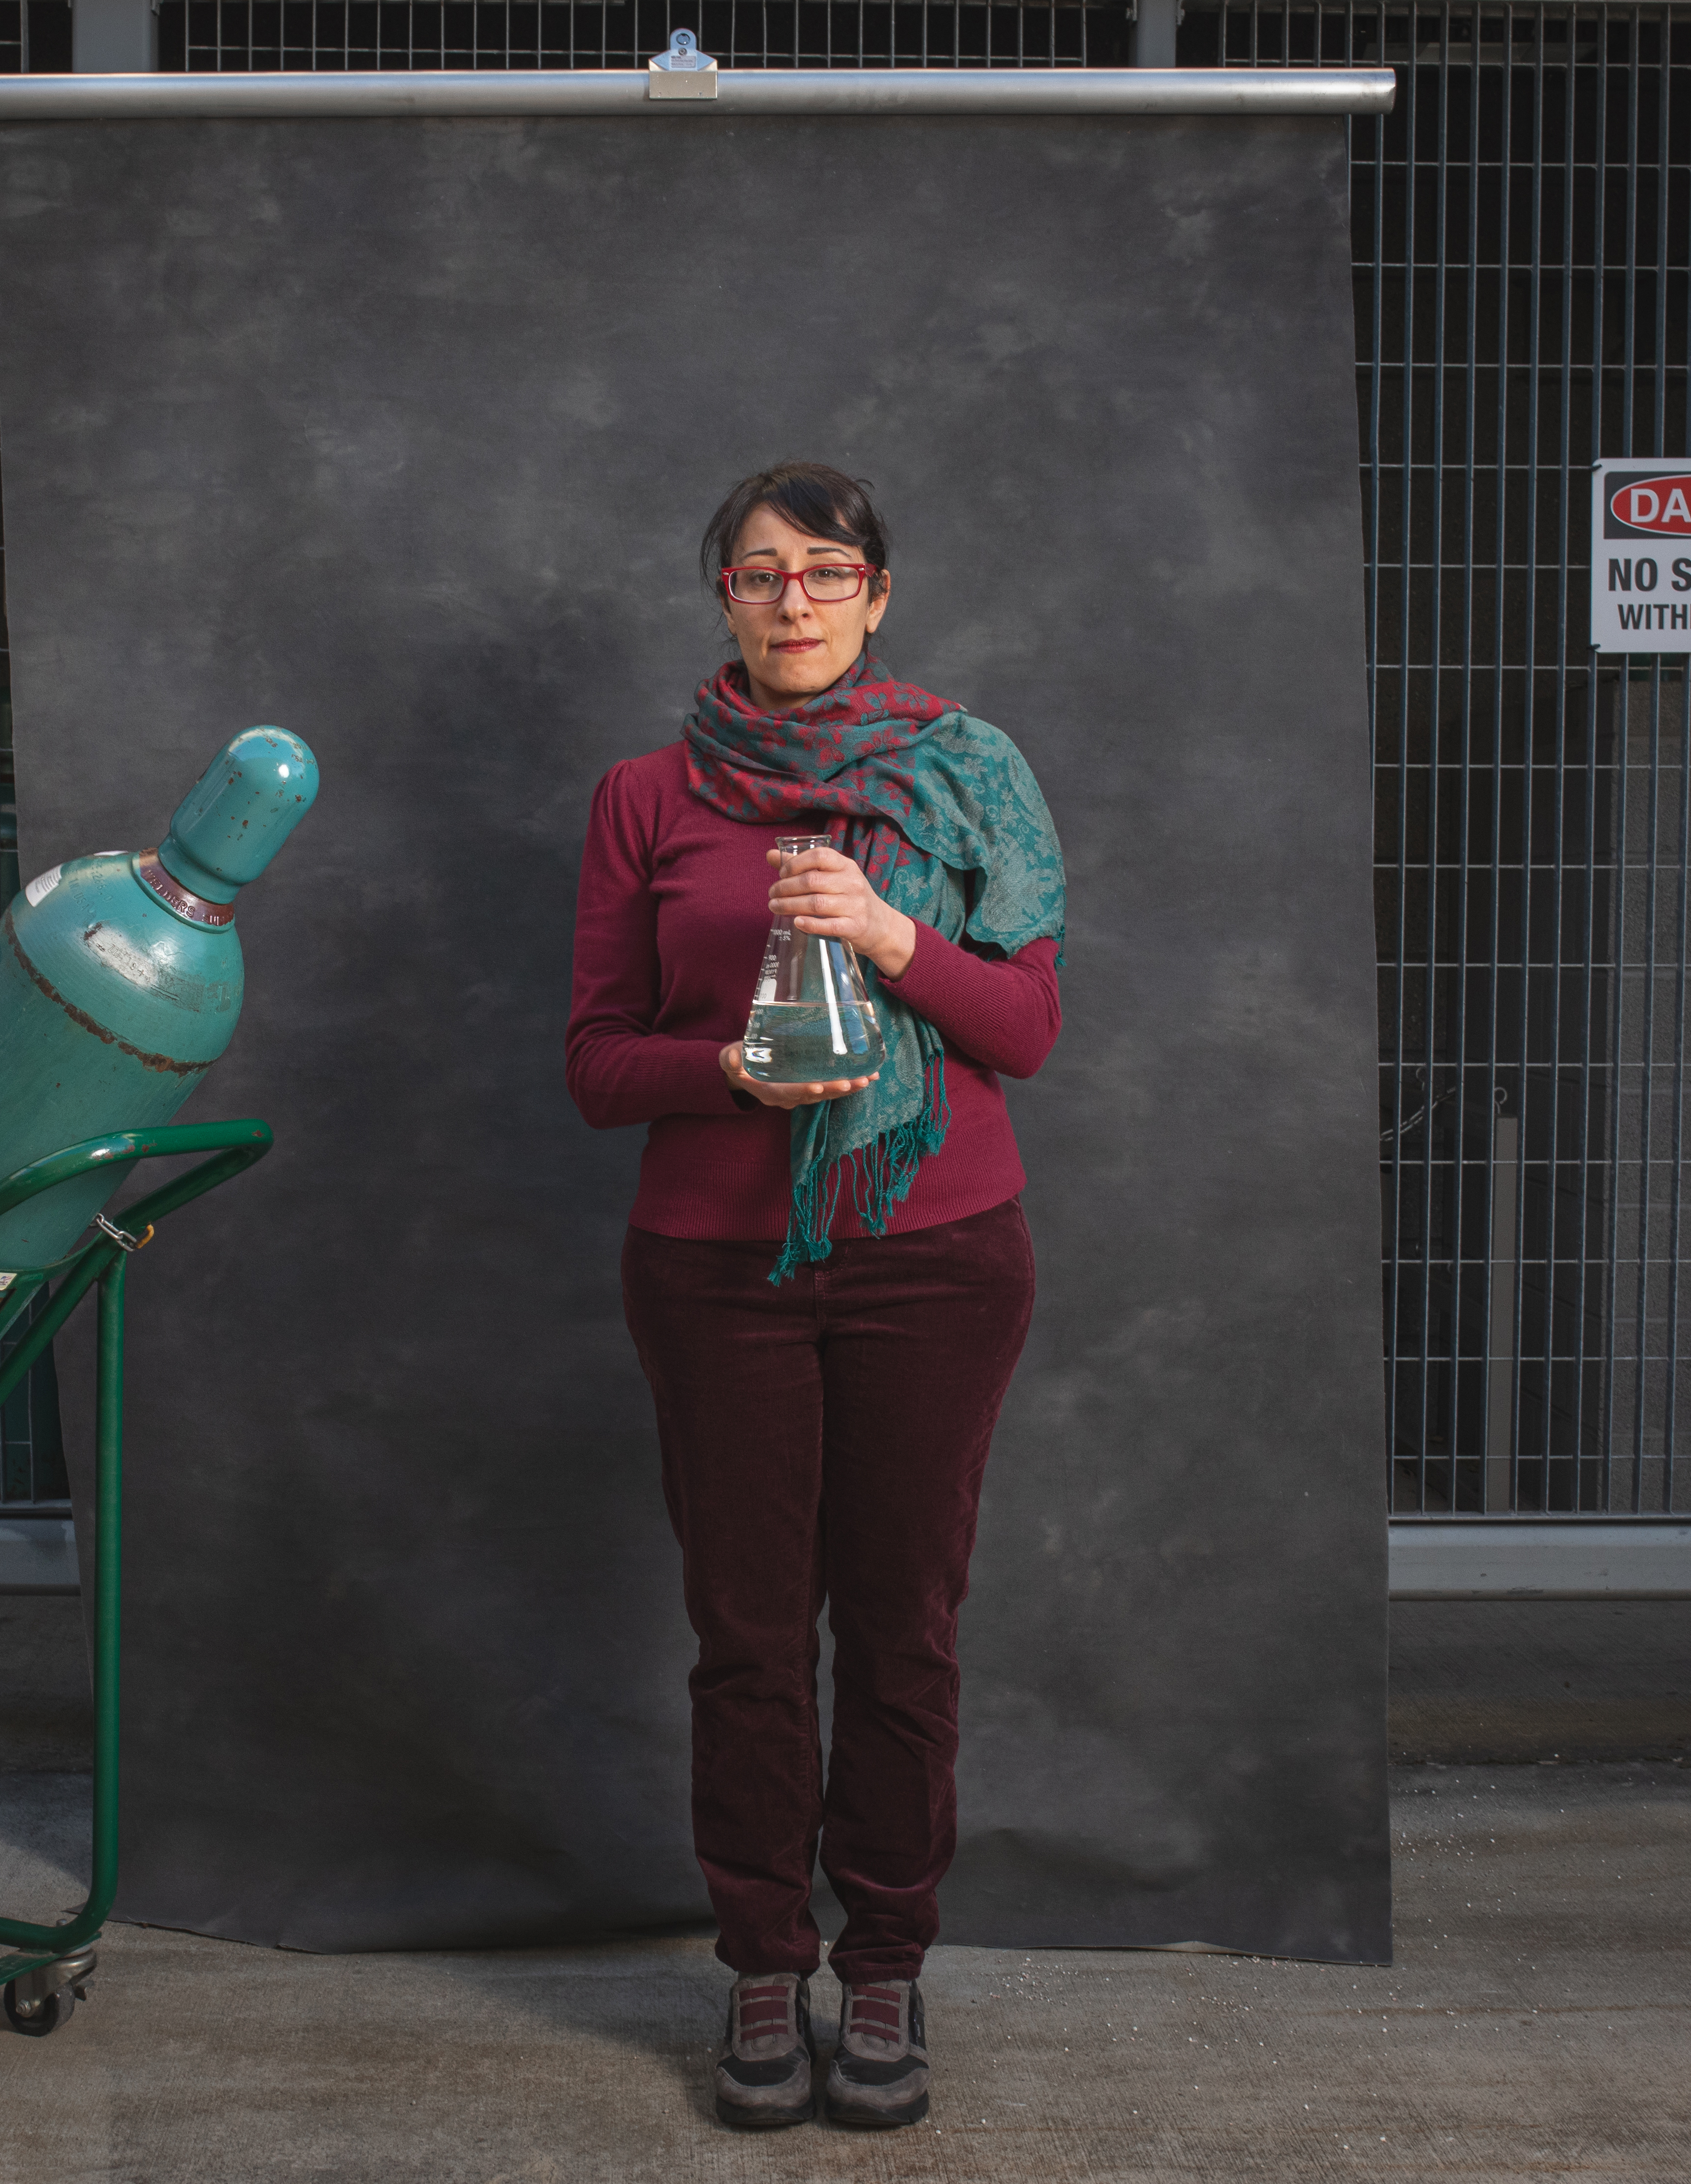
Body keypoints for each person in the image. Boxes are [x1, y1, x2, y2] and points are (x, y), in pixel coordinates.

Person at [563, 463, 1065, 2130]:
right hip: (716, 1269)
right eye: (757, 574)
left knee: (904, 1632)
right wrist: (728, 1074)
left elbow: (1028, 1031)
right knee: (750, 1640)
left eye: (826, 570)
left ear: (877, 593)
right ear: (720, 599)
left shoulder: (964, 776)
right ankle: (765, 1964)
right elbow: (593, 1065)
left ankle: (889, 1966)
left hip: (938, 1255)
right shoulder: (648, 796)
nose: (794, 600)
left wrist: (889, 938)